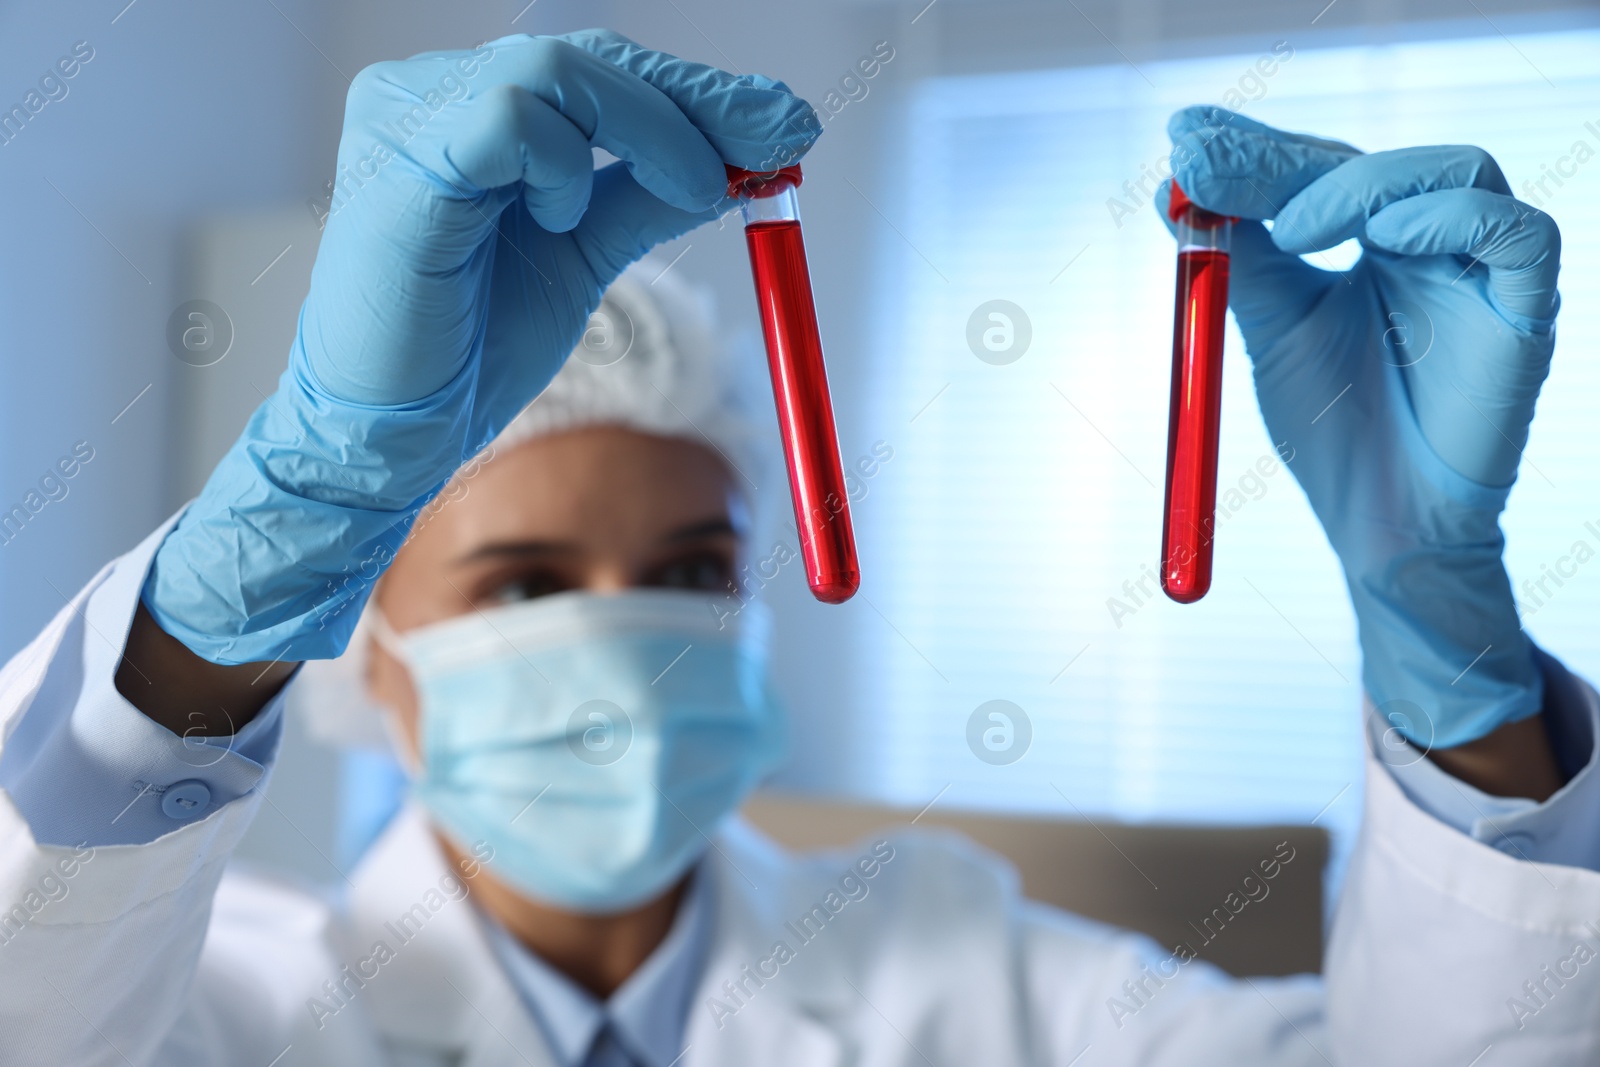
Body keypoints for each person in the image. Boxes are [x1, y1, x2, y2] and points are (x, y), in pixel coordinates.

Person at [0, 28, 1595, 1067]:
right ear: (366, 650)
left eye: (695, 568)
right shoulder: (240, 1006)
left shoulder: (961, 970)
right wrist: (255, 557)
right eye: (526, 585)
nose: (625, 633)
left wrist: (1443, 634)